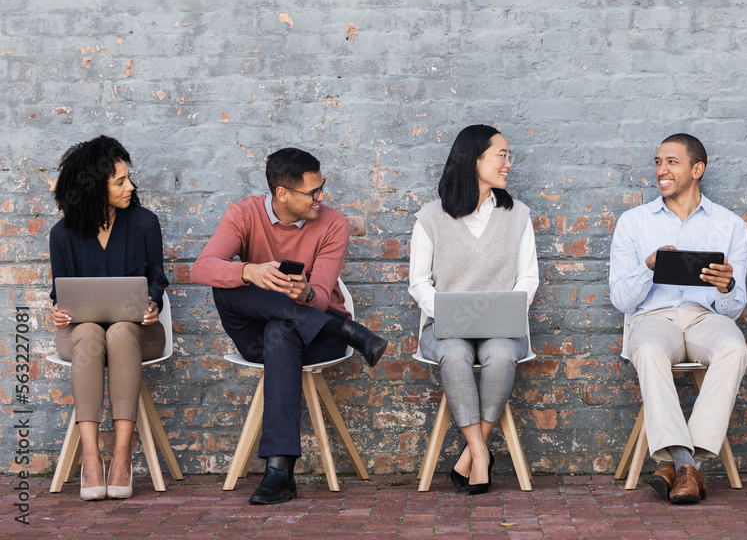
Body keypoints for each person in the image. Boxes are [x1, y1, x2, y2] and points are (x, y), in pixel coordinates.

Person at [191, 147, 387, 505]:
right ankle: (348, 331)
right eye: (313, 192)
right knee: (226, 288)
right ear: (282, 193)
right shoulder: (244, 214)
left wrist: (305, 293)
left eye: (321, 187)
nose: (321, 197)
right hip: (266, 336)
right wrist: (249, 271)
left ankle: (279, 474)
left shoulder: (332, 223)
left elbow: (324, 296)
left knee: (280, 330)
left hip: (315, 340)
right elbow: (201, 268)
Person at [609, 134, 747, 505]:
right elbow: (621, 299)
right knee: (650, 349)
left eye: (671, 162)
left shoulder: (730, 225)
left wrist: (726, 286)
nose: (661, 170)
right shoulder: (633, 223)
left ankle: (684, 464)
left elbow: (734, 309)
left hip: (705, 318)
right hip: (653, 317)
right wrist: (650, 267)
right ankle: (688, 465)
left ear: (697, 169)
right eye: (658, 162)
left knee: (735, 348)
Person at [408, 124, 538, 495]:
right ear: (474, 159)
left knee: (499, 356)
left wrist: (507, 311)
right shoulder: (431, 218)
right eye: (502, 155)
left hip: (503, 327)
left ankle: (470, 454)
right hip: (446, 328)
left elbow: (528, 278)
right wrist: (451, 313)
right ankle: (481, 453)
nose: (508, 164)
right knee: (454, 354)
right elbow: (418, 283)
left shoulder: (517, 215)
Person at [48, 136, 167, 501]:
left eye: (128, 178)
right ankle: (90, 457)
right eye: (119, 181)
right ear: (96, 188)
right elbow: (60, 292)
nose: (130, 186)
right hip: (80, 336)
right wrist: (57, 311)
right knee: (87, 333)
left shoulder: (145, 223)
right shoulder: (62, 234)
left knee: (118, 332)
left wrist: (153, 305)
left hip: (139, 334)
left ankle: (120, 457)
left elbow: (158, 279)